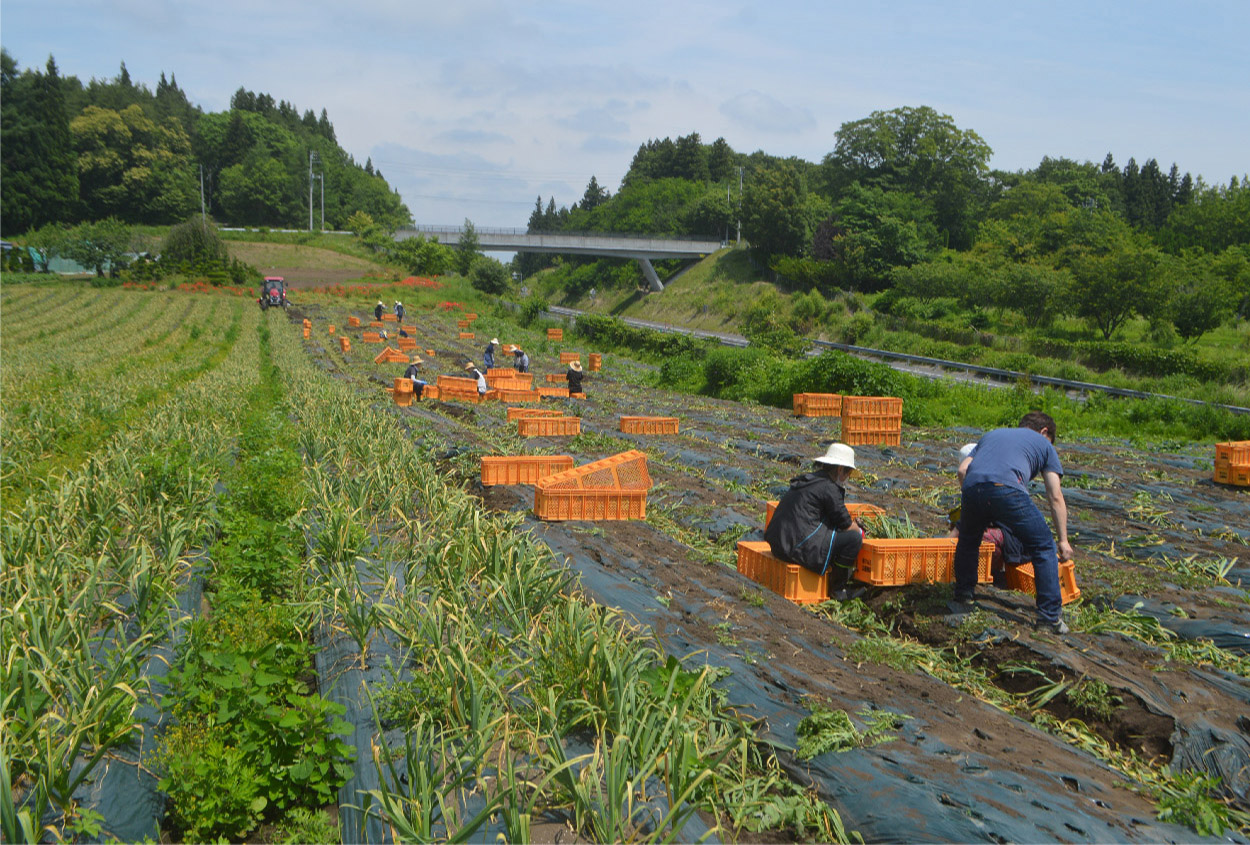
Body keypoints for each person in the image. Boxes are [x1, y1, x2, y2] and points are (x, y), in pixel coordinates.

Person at [950, 412, 1073, 633]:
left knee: (968, 541)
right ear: (1045, 432)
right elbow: (1055, 495)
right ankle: (1049, 617)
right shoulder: (1045, 446)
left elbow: (962, 469)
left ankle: (963, 595)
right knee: (1044, 545)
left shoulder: (993, 435)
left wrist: (976, 500)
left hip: (973, 486)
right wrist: (1063, 540)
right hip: (1007, 488)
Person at [764, 443, 866, 600]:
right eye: (848, 473)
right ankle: (838, 589)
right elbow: (844, 523)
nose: (847, 478)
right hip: (795, 548)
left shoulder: (812, 480)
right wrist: (858, 529)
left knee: (838, 535)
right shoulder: (829, 488)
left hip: (779, 544)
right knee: (854, 539)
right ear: (840, 470)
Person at [949, 444, 1026, 588]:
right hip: (1006, 531)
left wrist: (947, 543)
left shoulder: (992, 484)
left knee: (974, 537)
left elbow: (972, 519)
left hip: (1016, 539)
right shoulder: (987, 479)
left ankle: (992, 570)